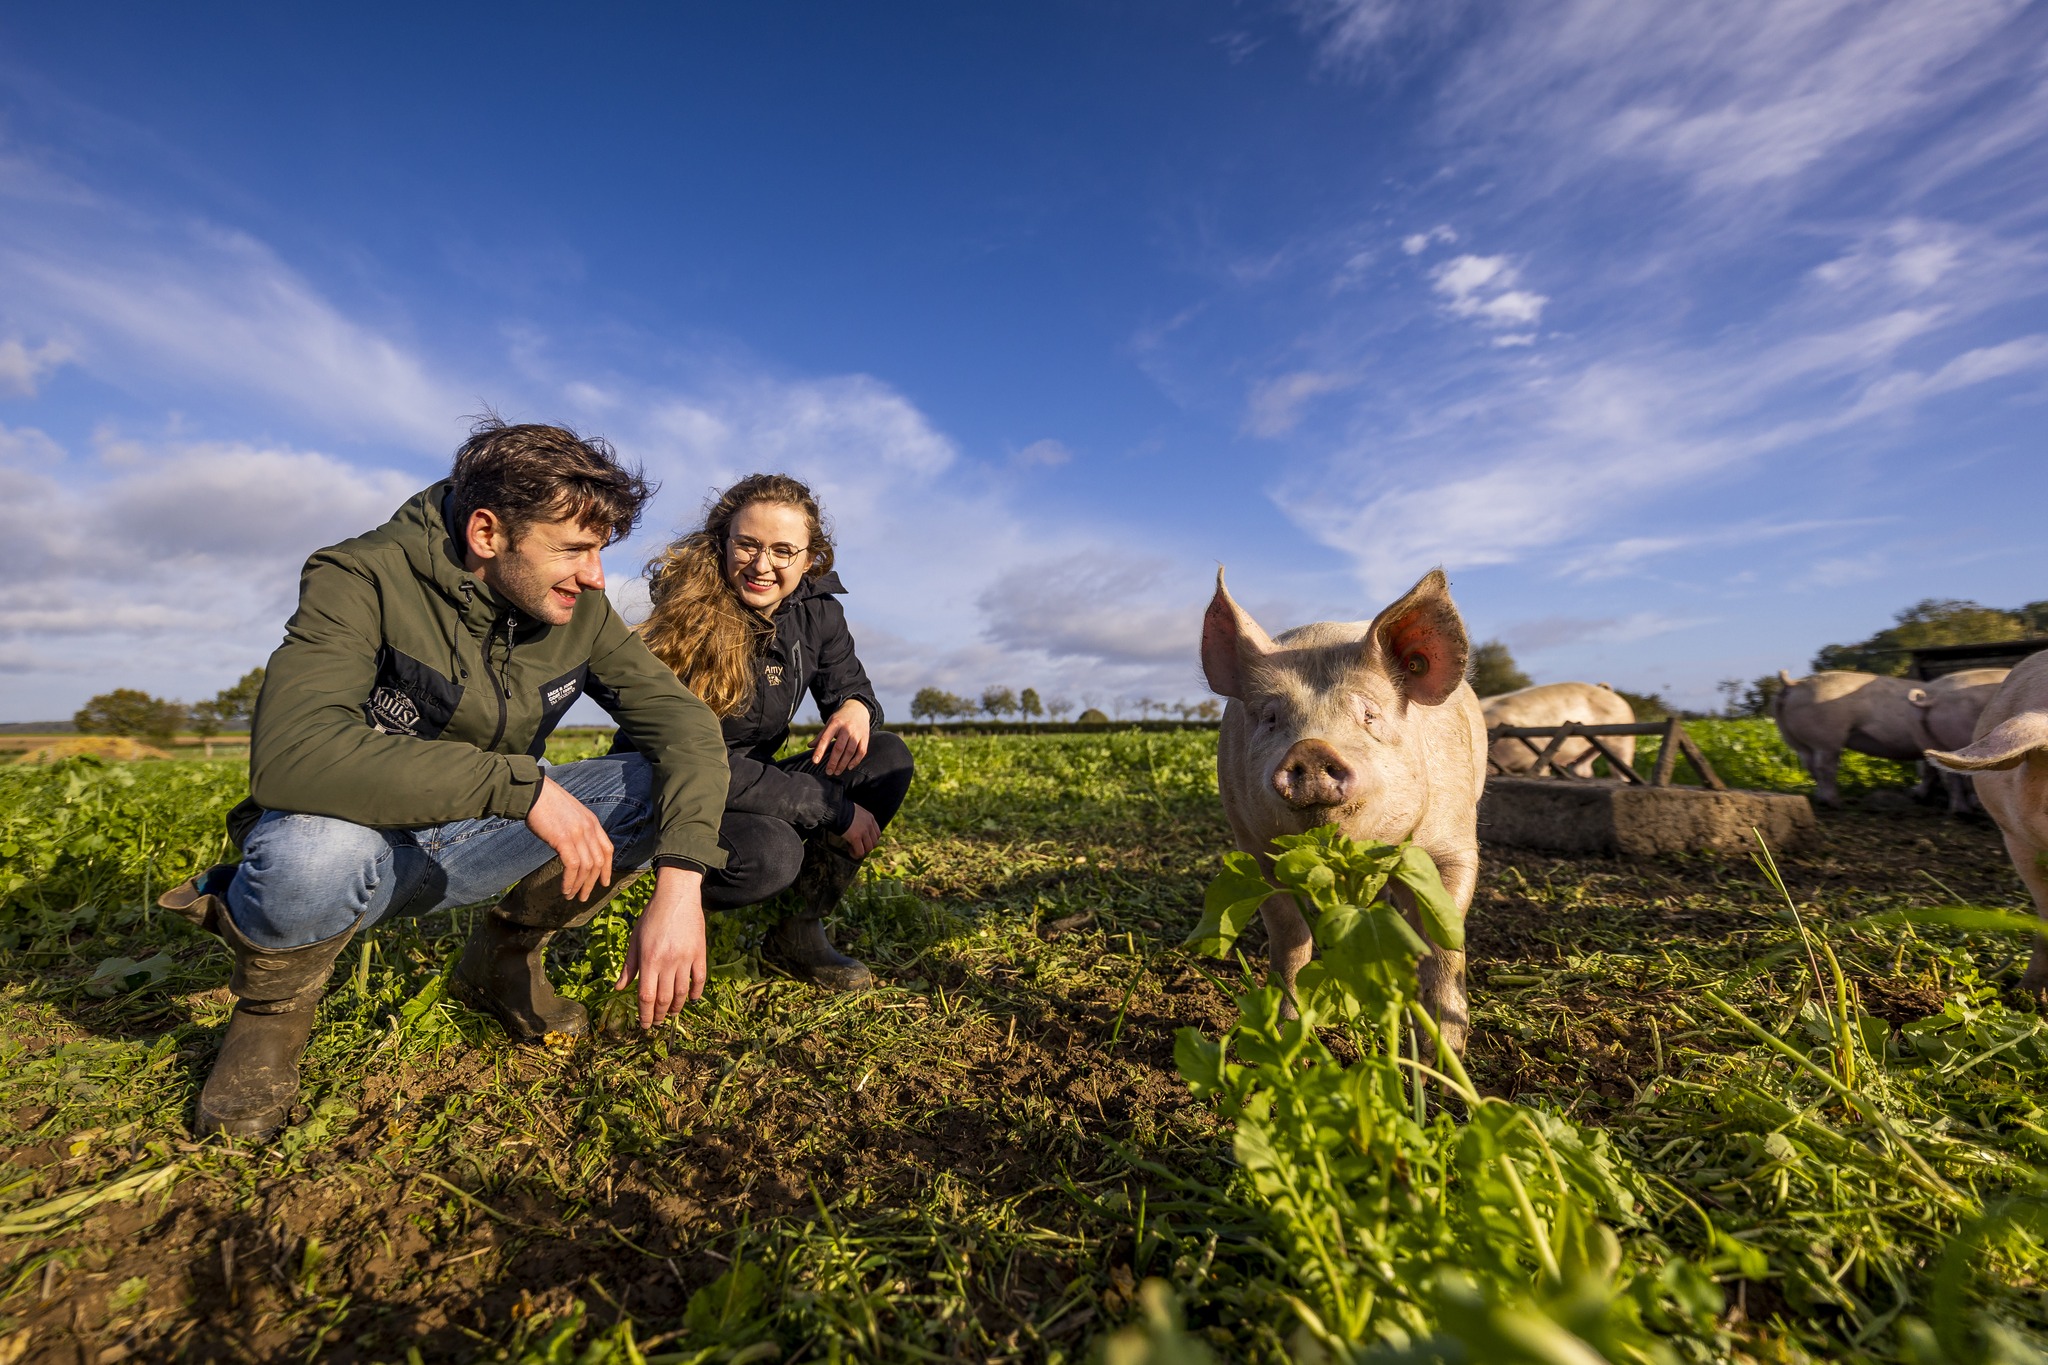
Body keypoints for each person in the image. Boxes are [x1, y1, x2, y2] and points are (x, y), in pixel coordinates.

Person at [157, 419, 731, 1141]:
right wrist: (520, 787)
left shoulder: (581, 613)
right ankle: (268, 1021)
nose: (595, 577)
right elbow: (292, 754)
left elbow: (688, 729)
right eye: (576, 549)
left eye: (600, 550)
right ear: (488, 533)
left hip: (471, 844)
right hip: (359, 841)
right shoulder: (359, 575)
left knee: (649, 781)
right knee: (309, 854)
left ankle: (502, 961)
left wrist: (682, 881)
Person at [634, 474, 914, 988]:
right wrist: (830, 807)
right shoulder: (688, 615)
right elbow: (695, 760)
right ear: (722, 543)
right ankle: (652, 898)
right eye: (747, 545)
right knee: (770, 854)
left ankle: (797, 932)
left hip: (748, 780)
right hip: (671, 789)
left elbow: (851, 685)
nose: (762, 566)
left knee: (886, 759)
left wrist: (855, 706)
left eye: (783, 551)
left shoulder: (818, 612)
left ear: (809, 560)